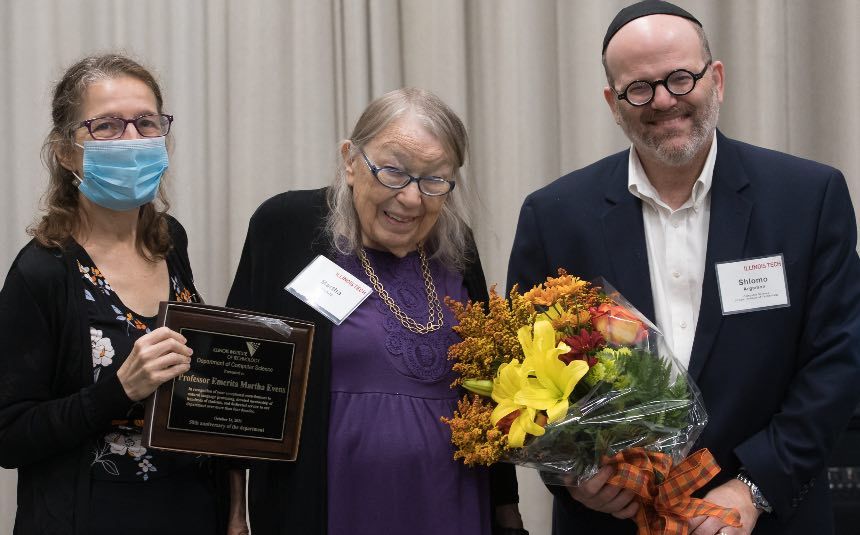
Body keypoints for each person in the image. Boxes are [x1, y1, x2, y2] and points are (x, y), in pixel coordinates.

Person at [506, 1, 860, 534]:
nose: (665, 101)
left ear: (716, 79)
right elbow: (523, 375)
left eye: (680, 78)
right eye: (639, 88)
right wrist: (576, 477)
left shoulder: (808, 198)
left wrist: (753, 488)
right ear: (613, 102)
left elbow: (840, 359)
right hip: (611, 522)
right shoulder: (555, 215)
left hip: (769, 518)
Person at [225, 88, 525, 535]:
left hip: (451, 501)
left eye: (435, 180)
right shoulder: (285, 226)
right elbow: (237, 378)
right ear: (350, 161)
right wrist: (235, 515)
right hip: (328, 505)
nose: (411, 199)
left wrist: (507, 510)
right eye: (393, 173)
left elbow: (488, 393)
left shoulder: (454, 246)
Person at [0, 54, 221, 534]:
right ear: (66, 151)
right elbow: (10, 436)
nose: (132, 140)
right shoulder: (41, 271)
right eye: (106, 126)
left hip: (187, 510)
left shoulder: (169, 239)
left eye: (145, 123)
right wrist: (118, 391)